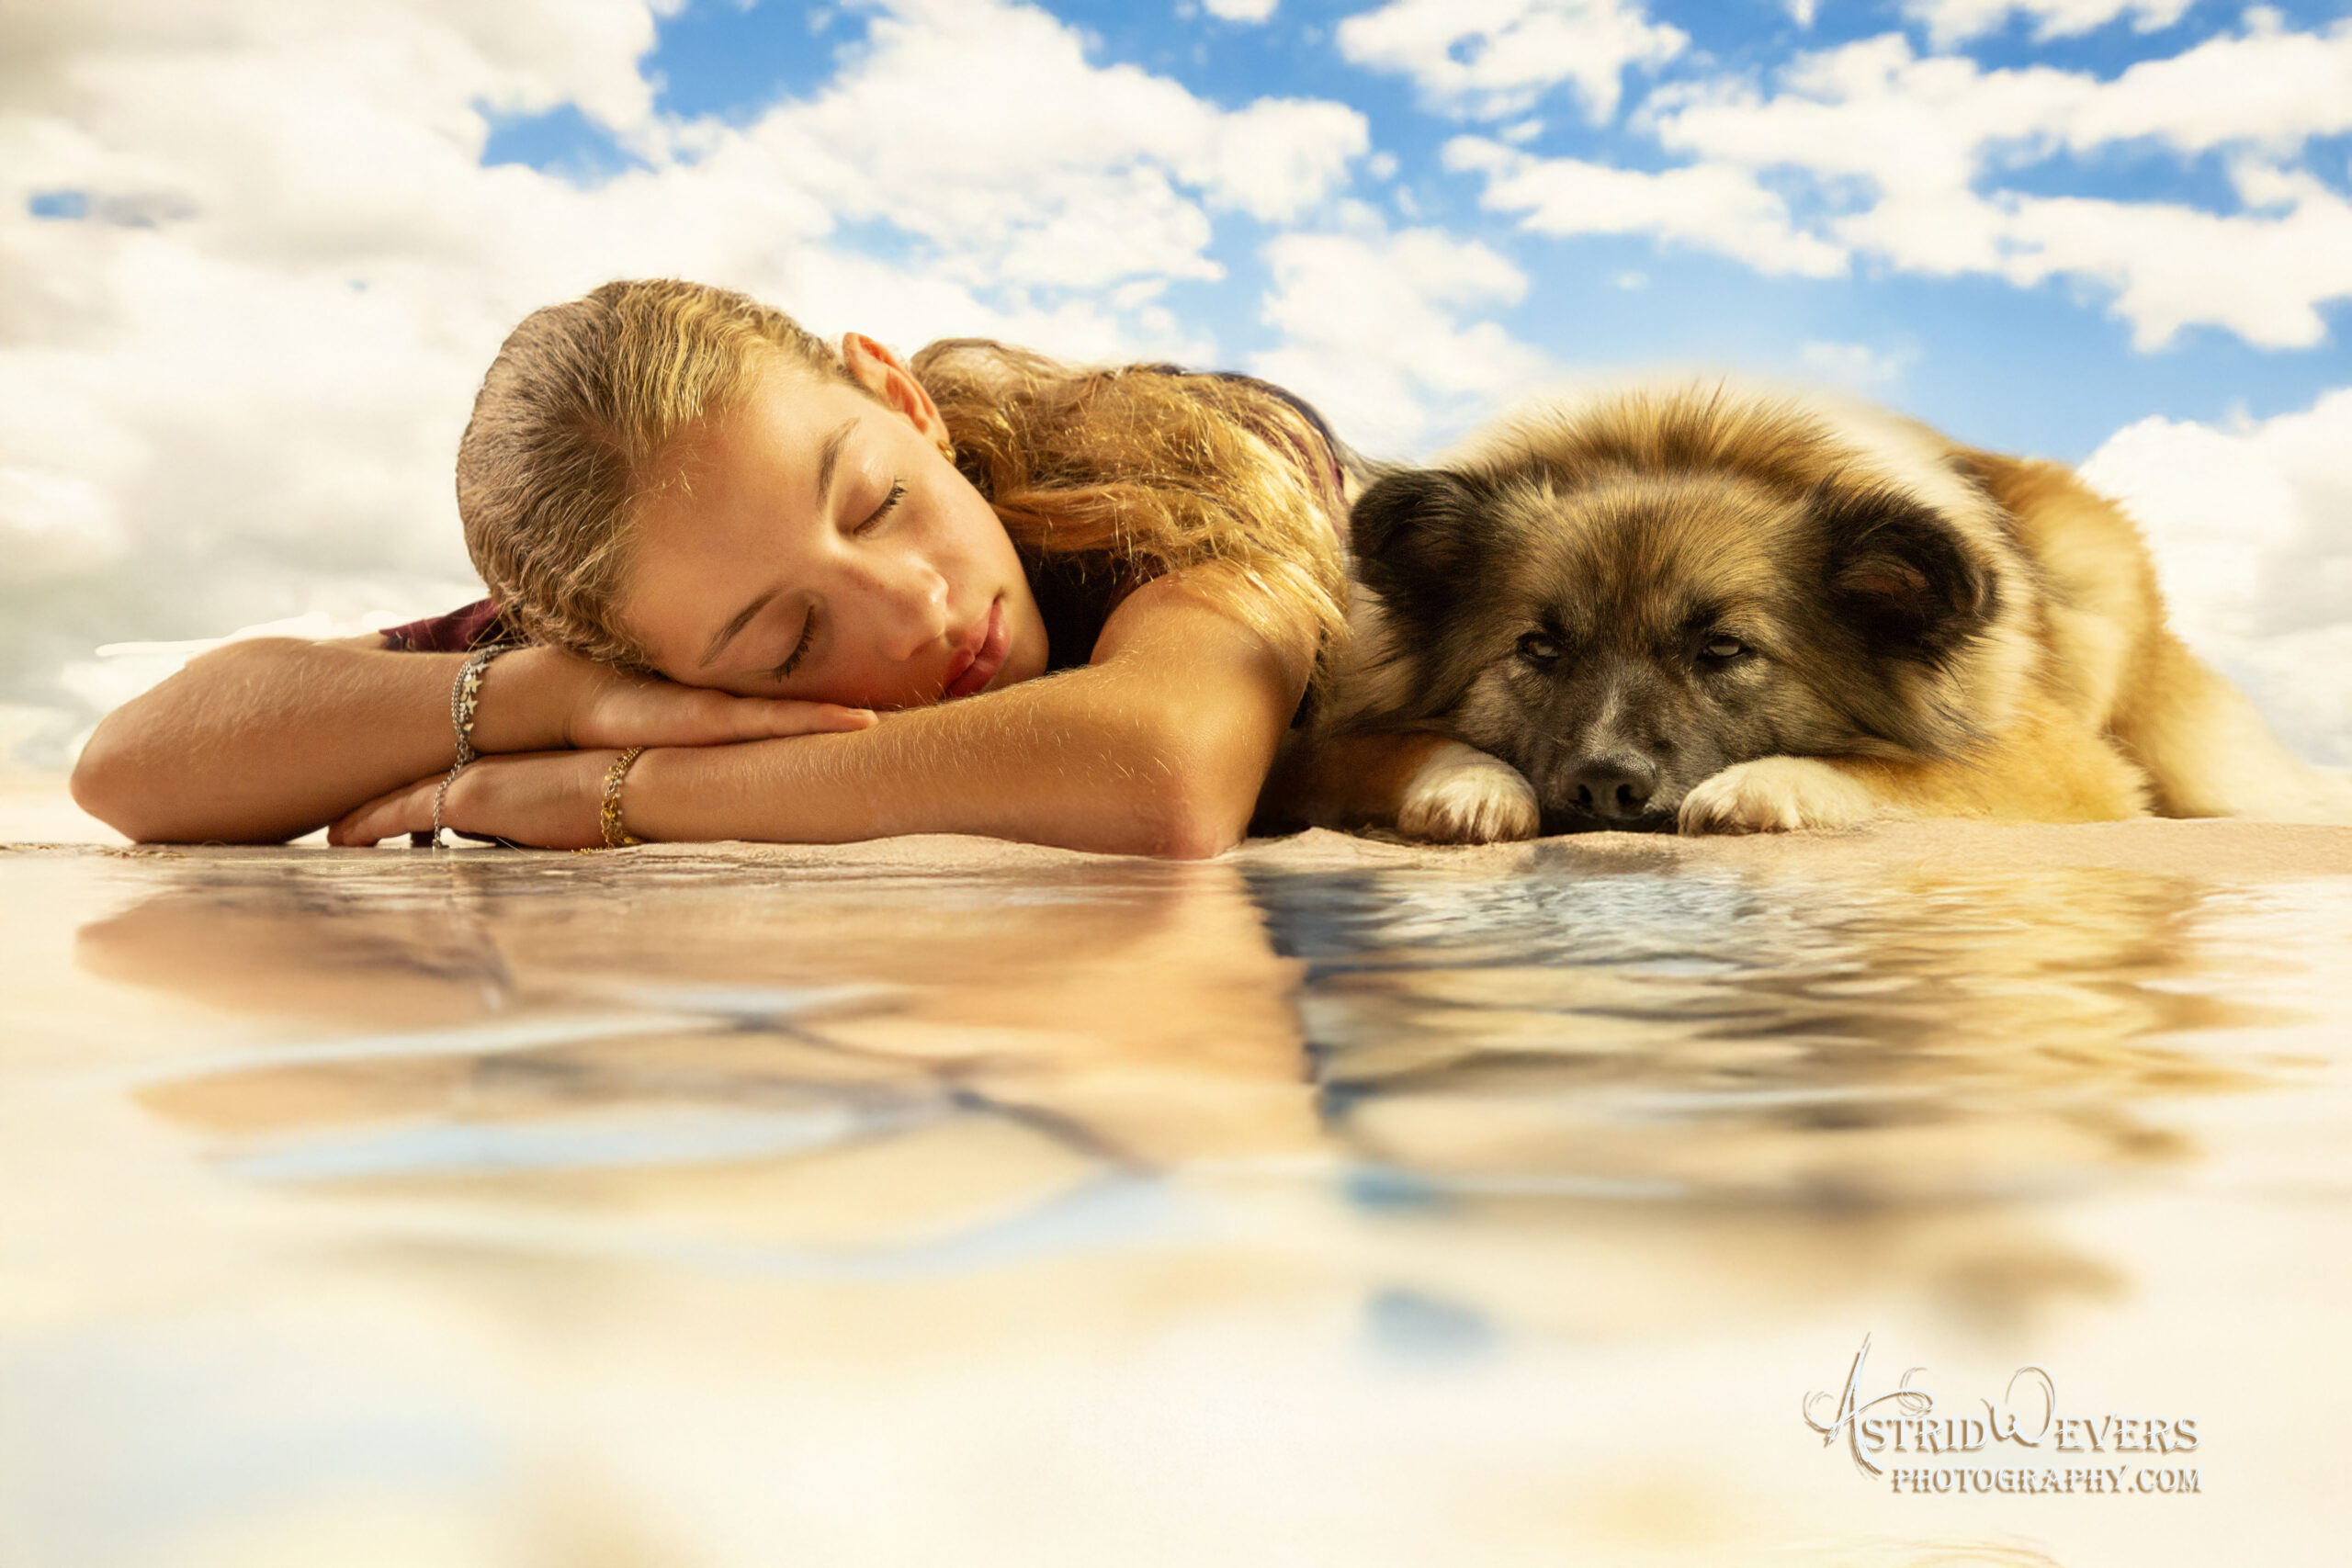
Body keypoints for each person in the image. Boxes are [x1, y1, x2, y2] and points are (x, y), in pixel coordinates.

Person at [70, 280, 1351, 859]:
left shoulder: (1178, 456)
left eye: (879, 502)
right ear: (661, 669)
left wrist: (626, 794)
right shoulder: (636, 633)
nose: (914, 603)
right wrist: (556, 701)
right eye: (789, 643)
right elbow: (129, 768)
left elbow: (1165, 770)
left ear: (899, 398)